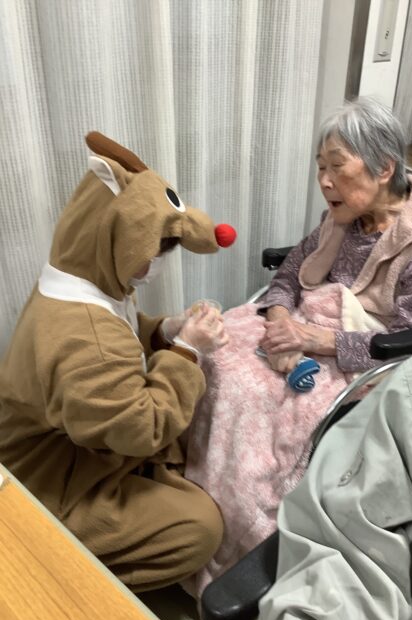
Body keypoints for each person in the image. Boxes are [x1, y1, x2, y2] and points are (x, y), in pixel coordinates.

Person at [183, 97, 412, 596]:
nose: (324, 180)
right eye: (320, 167)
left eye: (337, 166)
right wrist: (279, 319)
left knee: (252, 400)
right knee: (211, 351)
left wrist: (316, 339)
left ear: (384, 168)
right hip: (298, 330)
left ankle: (242, 546)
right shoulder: (342, 216)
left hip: (369, 358)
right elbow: (289, 277)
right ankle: (191, 507)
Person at [0, 131, 237, 592]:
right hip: (47, 478)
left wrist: (164, 330)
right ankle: (54, 572)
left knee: (181, 455)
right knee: (199, 527)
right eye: (155, 251)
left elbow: (120, 333)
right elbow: (142, 428)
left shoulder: (76, 282)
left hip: (70, 439)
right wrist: (187, 351)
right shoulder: (84, 337)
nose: (158, 263)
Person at [237, 337, 412, 620]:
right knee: (238, 378)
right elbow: (342, 569)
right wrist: (282, 319)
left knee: (284, 406)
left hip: (359, 351)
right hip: (323, 337)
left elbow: (401, 333)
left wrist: (315, 337)